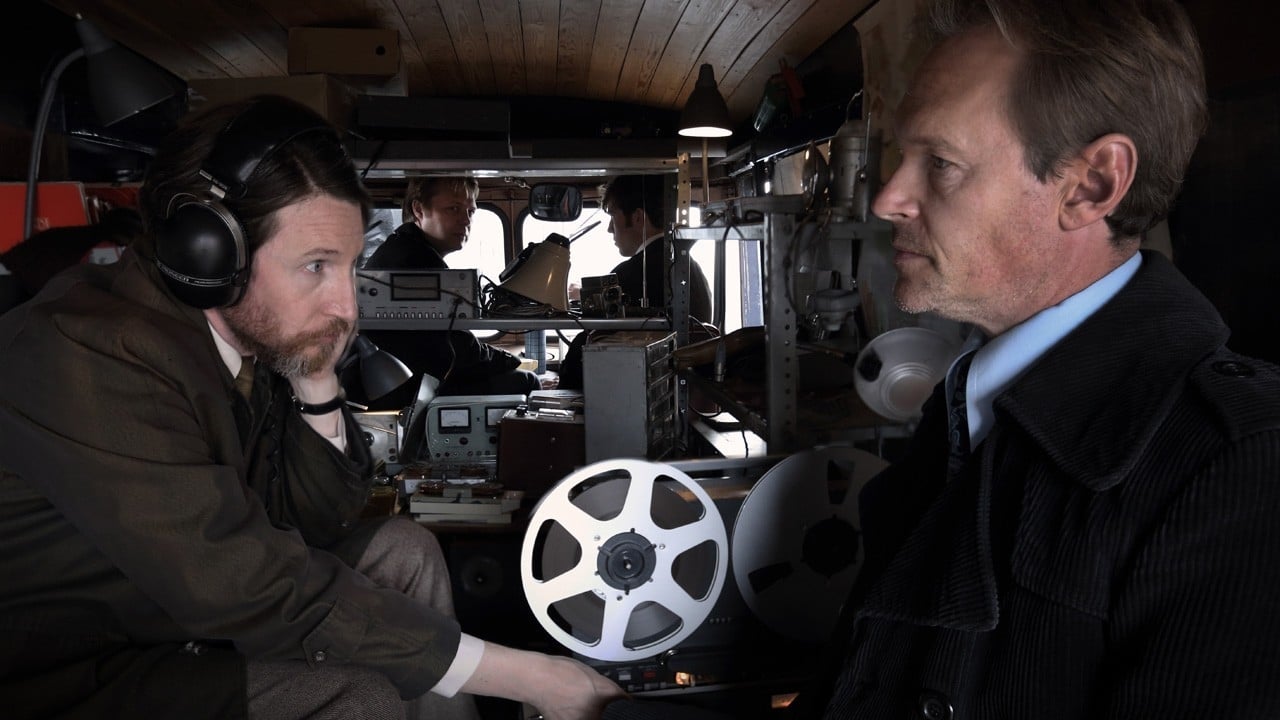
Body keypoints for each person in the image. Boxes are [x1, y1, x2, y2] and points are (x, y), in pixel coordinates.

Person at [0, 94, 623, 720]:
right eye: (316, 266)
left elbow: (321, 523)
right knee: (360, 698)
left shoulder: (247, 339)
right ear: (208, 254)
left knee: (404, 549)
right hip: (89, 666)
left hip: (175, 618)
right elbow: (241, 580)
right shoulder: (89, 352)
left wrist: (317, 380)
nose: (347, 309)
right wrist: (528, 678)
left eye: (349, 267)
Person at [799, 0, 1280, 717]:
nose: (889, 199)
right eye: (904, 157)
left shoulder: (1238, 467)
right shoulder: (968, 407)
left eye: (941, 164)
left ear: (1091, 186)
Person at [354, 176, 542, 411]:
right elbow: (459, 351)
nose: (466, 220)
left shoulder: (406, 249)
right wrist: (513, 361)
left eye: (470, 212)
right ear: (418, 210)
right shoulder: (417, 262)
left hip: (410, 381)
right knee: (528, 382)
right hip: (409, 389)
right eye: (453, 209)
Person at [556, 174, 713, 390]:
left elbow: (591, 340)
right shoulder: (688, 265)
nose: (610, 229)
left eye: (613, 217)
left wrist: (563, 388)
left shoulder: (629, 274)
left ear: (638, 217)